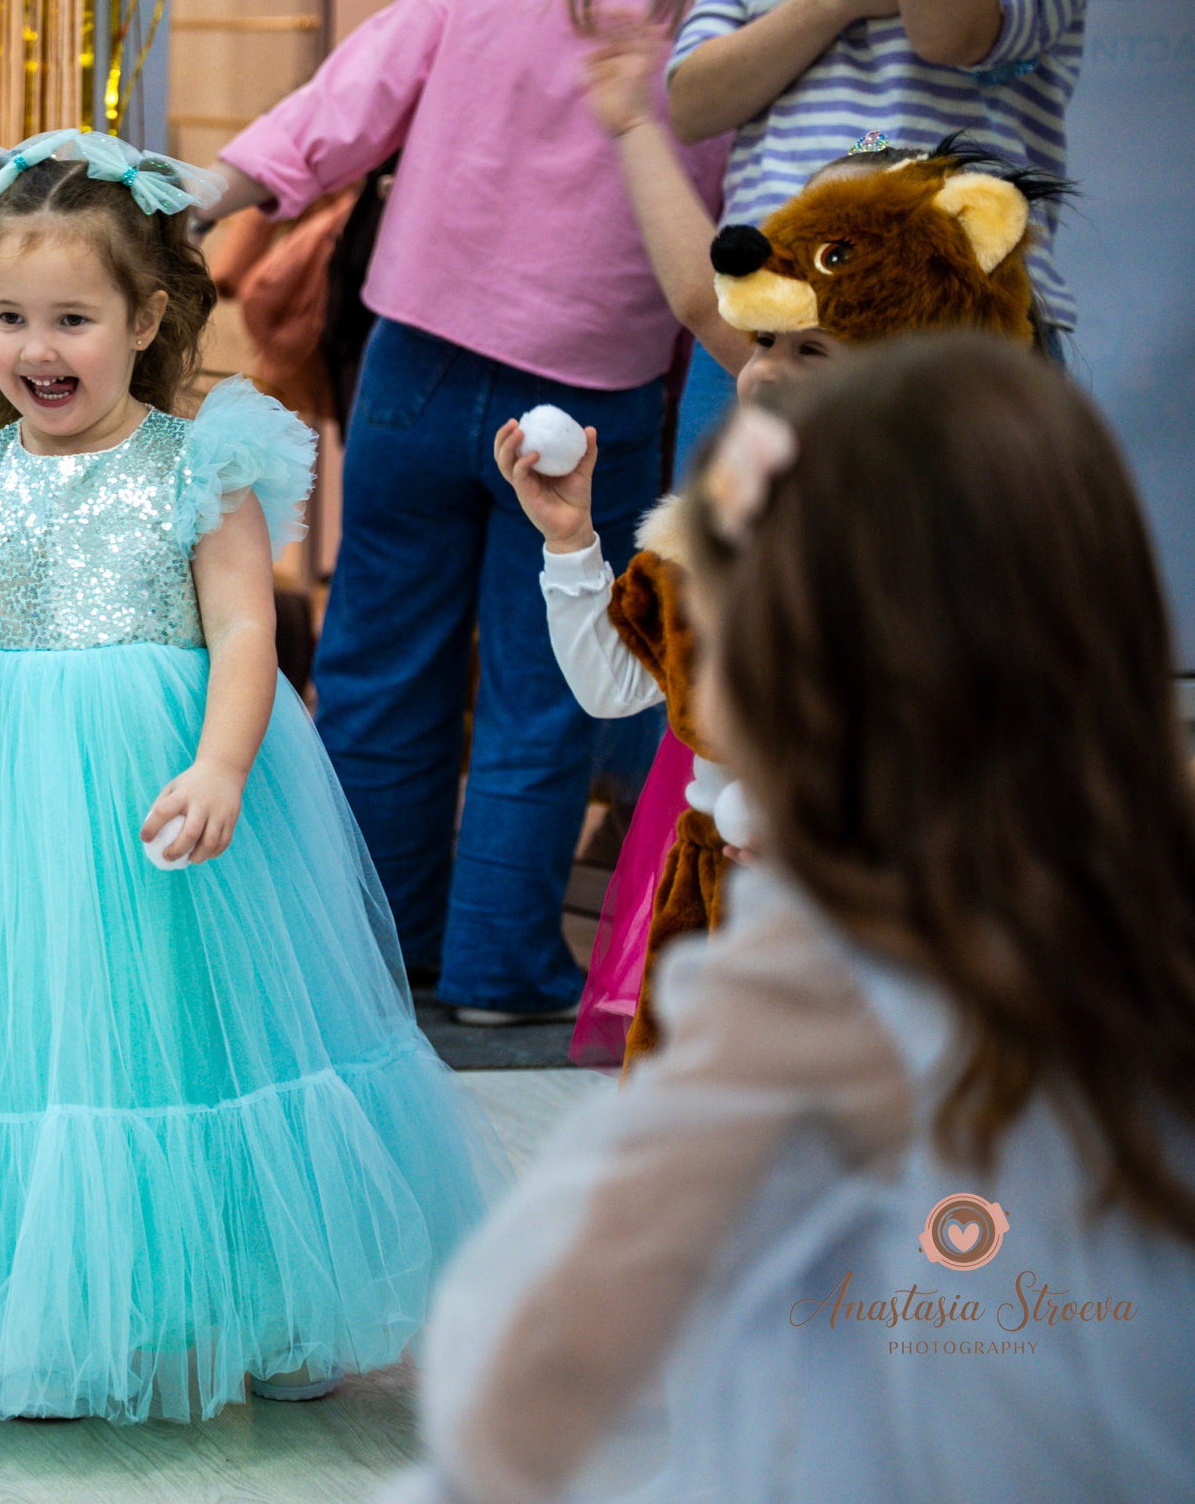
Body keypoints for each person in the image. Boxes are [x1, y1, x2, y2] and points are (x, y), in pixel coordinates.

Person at [0, 132, 500, 1423]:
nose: (38, 349)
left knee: (203, 1035)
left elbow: (247, 632)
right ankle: (46, 1319)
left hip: (163, 779)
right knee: (28, 1045)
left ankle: (266, 1296)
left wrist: (223, 764)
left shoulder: (204, 462)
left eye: (73, 318)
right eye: (12, 319)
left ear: (146, 317)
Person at [395, 337, 1195, 1503]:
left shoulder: (817, 984)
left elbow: (544, 1348)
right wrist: (570, 544)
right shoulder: (1142, 909)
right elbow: (622, 677)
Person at [199, 0, 735, 1026]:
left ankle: (368, 961)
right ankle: (501, 972)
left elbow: (336, 115)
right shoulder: (716, 24)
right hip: (591, 395)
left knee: (380, 663)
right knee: (544, 687)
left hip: (417, 370)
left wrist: (215, 189)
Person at [531, 18, 1063, 1065]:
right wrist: (568, 544)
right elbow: (618, 688)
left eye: (809, 350)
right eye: (762, 341)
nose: (762, 374)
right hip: (715, 904)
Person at [663, 0, 1120, 460]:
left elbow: (948, 28)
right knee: (723, 559)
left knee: (934, 560)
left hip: (945, 321)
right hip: (771, 312)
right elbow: (692, 101)